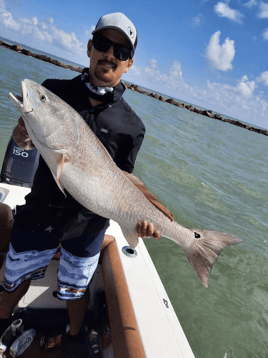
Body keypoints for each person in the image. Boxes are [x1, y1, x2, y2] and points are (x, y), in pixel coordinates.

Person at [0, 12, 173, 357]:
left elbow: (123, 182)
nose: (111, 54)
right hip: (39, 213)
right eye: (104, 44)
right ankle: (3, 319)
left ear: (129, 64)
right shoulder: (53, 92)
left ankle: (73, 335)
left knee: (76, 291)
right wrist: (21, 138)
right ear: (90, 46)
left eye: (121, 51)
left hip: (88, 227)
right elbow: (26, 142)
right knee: (12, 280)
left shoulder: (132, 126)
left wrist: (143, 219)